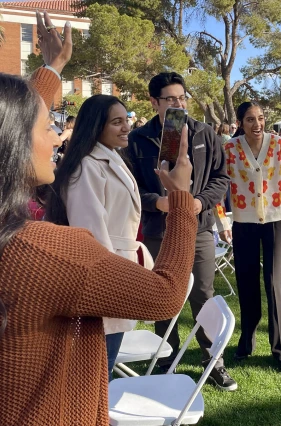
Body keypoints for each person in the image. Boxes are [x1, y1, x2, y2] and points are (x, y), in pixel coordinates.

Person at [0, 11, 197, 425]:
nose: (56, 135)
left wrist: (52, 71)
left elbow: (10, 119)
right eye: (44, 126)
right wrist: (181, 198)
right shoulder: (46, 252)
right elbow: (166, 296)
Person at [127, 72, 236, 390]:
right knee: (164, 295)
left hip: (199, 227)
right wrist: (159, 203)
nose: (179, 104)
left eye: (182, 97)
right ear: (154, 102)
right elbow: (131, 189)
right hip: (159, 230)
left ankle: (213, 361)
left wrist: (201, 203)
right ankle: (166, 361)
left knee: (204, 296)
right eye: (171, 99)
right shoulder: (138, 140)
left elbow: (221, 177)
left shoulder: (205, 133)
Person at [46, 94, 152, 382]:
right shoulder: (87, 166)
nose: (126, 127)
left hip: (117, 271)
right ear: (96, 126)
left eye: (126, 119)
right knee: (95, 375)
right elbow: (91, 238)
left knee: (101, 370)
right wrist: (114, 285)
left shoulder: (110, 155)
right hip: (104, 282)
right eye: (116, 122)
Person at [216, 101, 281, 371]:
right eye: (249, 119)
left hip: (275, 222)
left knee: (274, 282)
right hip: (243, 224)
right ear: (239, 123)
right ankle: (246, 340)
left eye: (260, 118)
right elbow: (219, 187)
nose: (257, 124)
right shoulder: (230, 149)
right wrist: (222, 221)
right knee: (246, 281)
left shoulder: (279, 144)